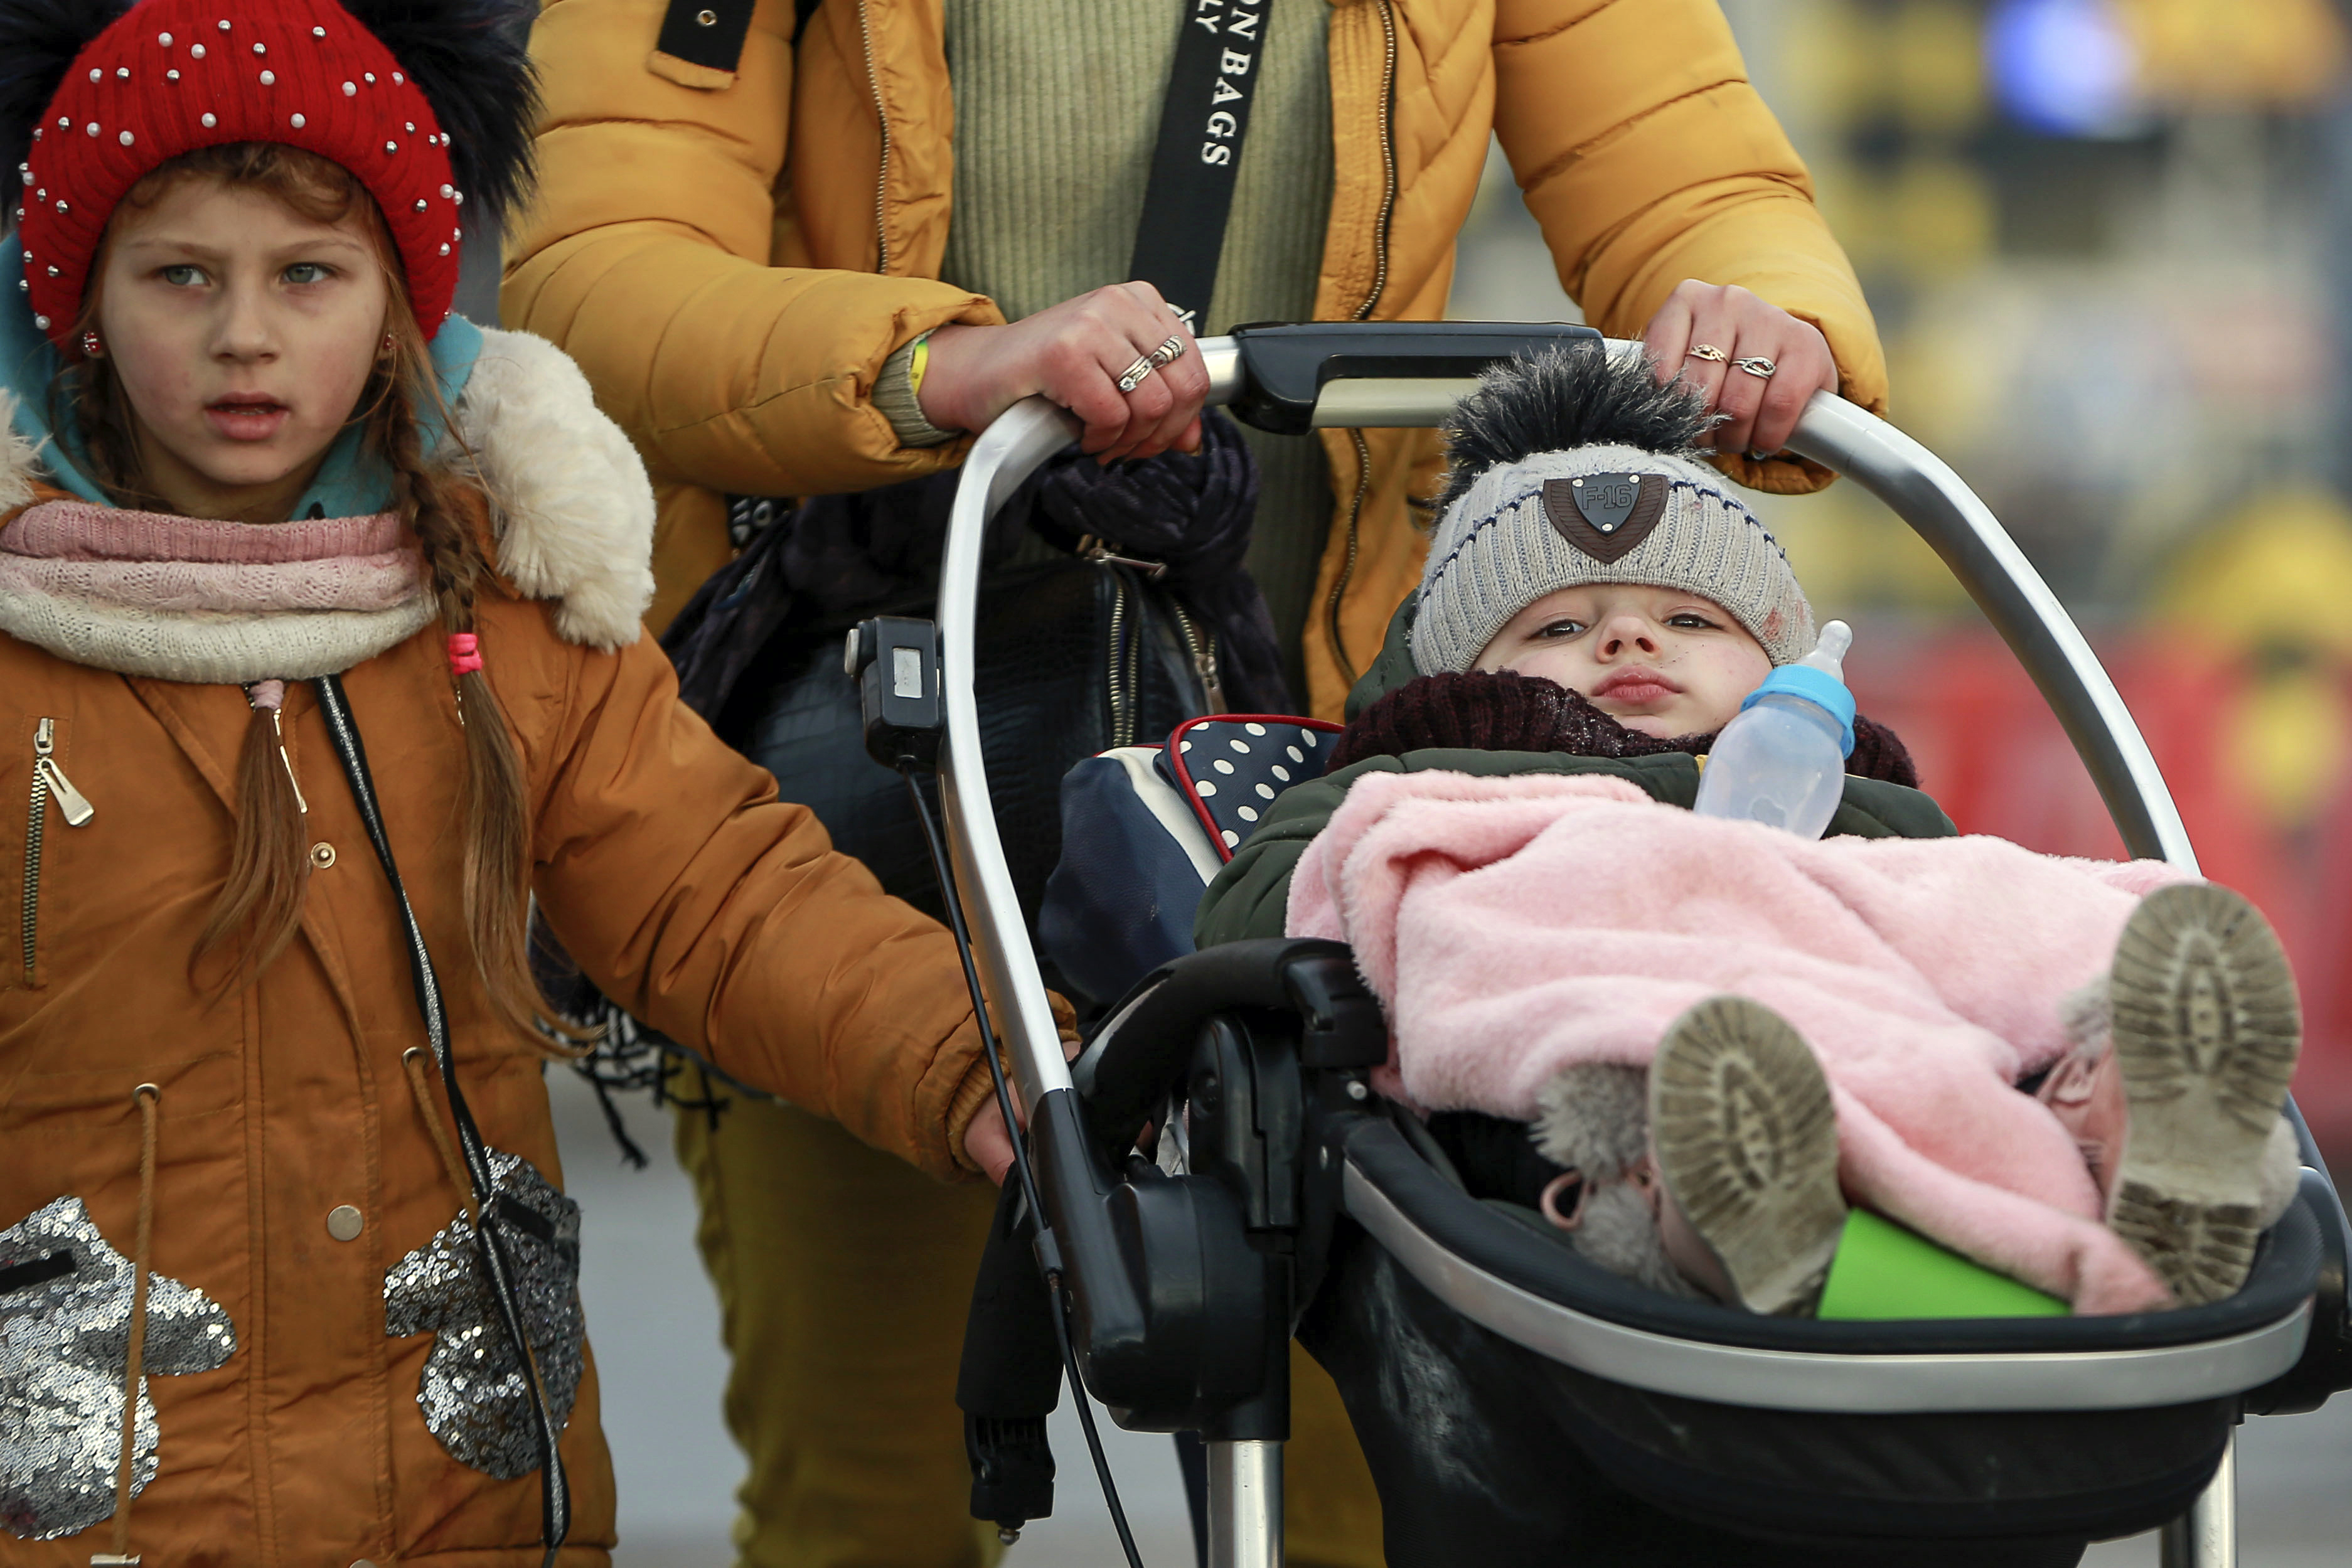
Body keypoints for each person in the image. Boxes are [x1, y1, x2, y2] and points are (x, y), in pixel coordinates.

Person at [508, 3, 1894, 1559]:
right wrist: (937, 363)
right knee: (872, 1485)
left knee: (1380, 1480)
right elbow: (593, 257)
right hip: (902, 790)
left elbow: (1681, 164)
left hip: (1349, 806)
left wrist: (1768, 316)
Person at [0, 2, 1027, 1562]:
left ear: (405, 302)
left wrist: (995, 1072)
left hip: (460, 1496)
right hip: (93, 1510)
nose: (245, 337)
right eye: (180, 275)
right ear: (76, 300)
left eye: (309, 275)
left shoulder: (508, 610)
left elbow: (720, 896)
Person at [1205, 348, 2307, 1324]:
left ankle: (2133, 1126)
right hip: (1610, 1095)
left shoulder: (1856, 800)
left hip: (1893, 1058)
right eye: (1557, 626)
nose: (1631, 633)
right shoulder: (1424, 774)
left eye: (1691, 619)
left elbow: (1947, 922)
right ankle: (1726, 1206)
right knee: (1563, 1009)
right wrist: (1448, 834)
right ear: (1463, 674)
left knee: (2007, 914)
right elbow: (1264, 904)